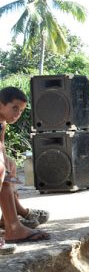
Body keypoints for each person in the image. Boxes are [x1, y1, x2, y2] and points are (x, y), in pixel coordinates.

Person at [1, 87, 50, 245]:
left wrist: (6, 161)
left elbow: (1, 145)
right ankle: (14, 226)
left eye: (21, 110)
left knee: (10, 165)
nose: (17, 114)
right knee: (3, 170)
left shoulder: (2, 123)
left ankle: (8, 217)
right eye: (14, 108)